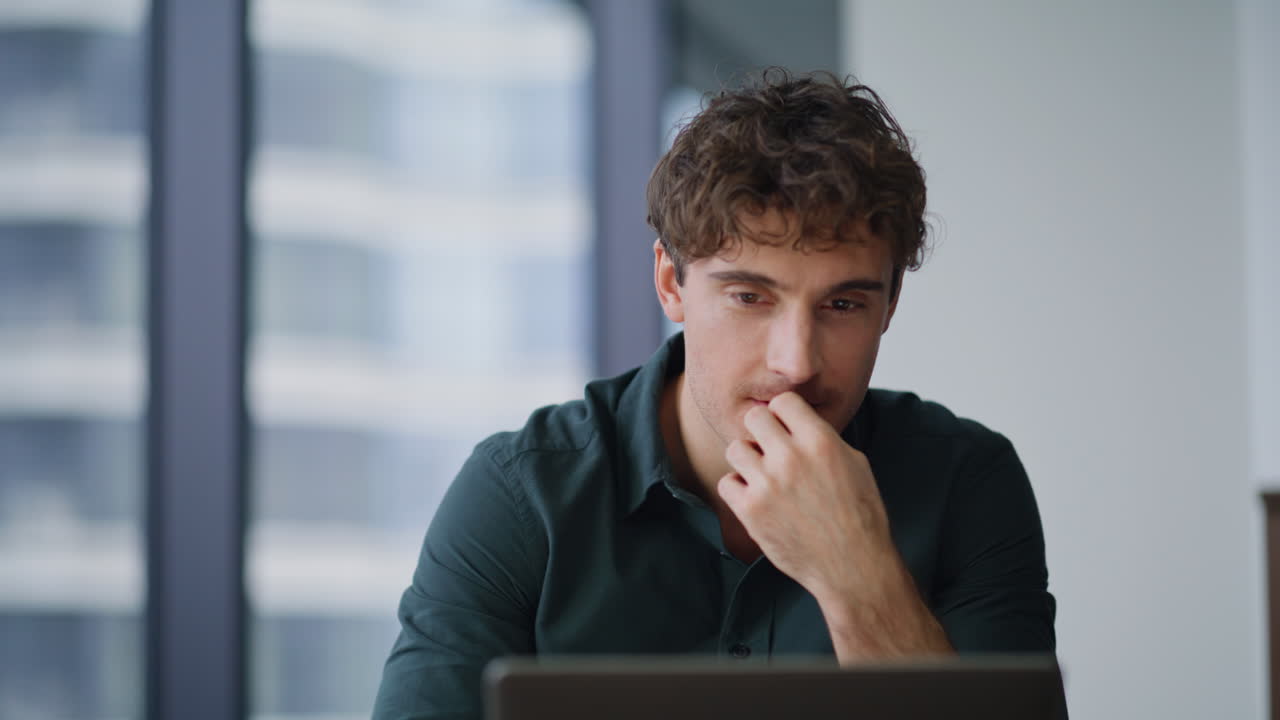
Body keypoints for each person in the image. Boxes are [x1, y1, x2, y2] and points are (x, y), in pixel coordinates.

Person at [372, 69, 1056, 719]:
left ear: (891, 305)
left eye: (843, 304)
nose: (796, 364)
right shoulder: (522, 493)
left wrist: (858, 577)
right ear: (672, 283)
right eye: (749, 297)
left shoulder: (968, 481)